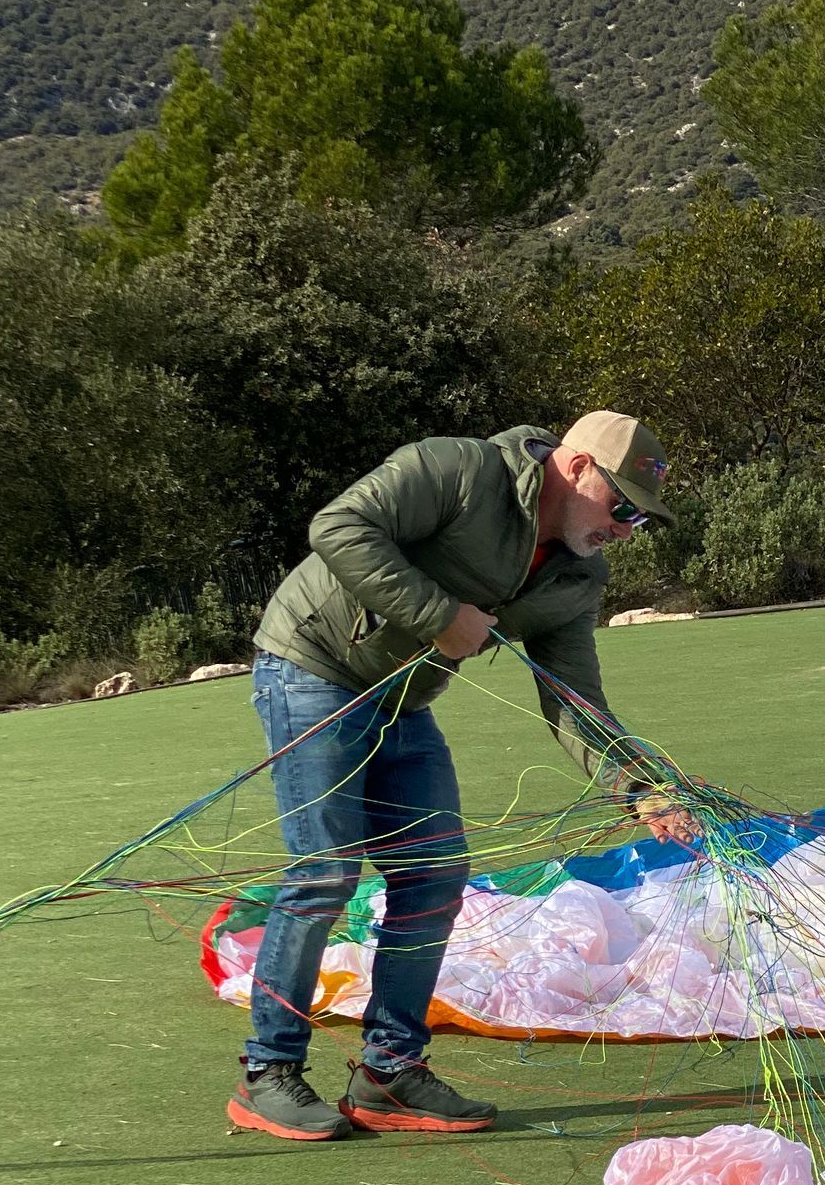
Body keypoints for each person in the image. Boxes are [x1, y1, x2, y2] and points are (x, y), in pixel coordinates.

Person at [230, 412, 696, 1143]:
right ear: (576, 470)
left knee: (436, 876)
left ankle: (388, 1073)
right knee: (325, 874)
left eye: (642, 518)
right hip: (314, 666)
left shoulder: (578, 575)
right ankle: (269, 1074)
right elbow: (339, 526)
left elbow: (574, 698)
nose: (628, 529)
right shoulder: (459, 470)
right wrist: (438, 614)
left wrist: (640, 787)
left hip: (403, 702)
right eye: (623, 507)